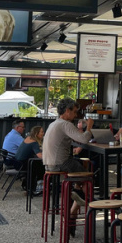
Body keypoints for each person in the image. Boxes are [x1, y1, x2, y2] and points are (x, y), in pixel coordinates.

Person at [43, 98, 94, 230]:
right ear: (67, 111)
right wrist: (89, 127)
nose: (76, 115)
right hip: (60, 163)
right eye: (75, 112)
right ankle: (80, 204)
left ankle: (77, 193)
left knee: (80, 172)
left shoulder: (54, 124)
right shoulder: (65, 124)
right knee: (89, 177)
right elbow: (83, 139)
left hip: (48, 164)